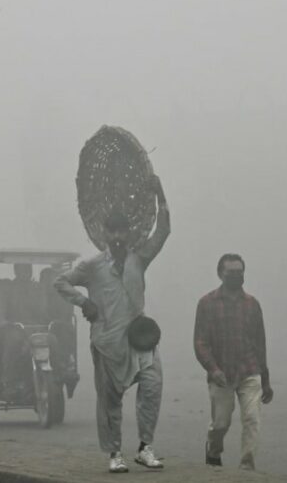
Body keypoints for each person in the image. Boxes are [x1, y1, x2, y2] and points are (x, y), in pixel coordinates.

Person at [54, 174, 170, 473]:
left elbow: (163, 233)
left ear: (129, 234)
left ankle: (145, 447)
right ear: (105, 234)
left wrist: (161, 195)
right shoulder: (92, 266)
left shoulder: (139, 258)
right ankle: (114, 453)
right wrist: (85, 303)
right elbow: (61, 282)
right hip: (107, 343)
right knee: (110, 401)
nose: (118, 237)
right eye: (113, 232)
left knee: (153, 387)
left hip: (139, 339)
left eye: (122, 232)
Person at [193, 254, 273, 470]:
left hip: (249, 370)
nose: (236, 277)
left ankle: (247, 466)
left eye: (240, 273)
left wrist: (265, 379)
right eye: (231, 273)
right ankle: (213, 450)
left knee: (252, 420)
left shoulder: (252, 304)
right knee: (221, 423)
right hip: (221, 373)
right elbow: (200, 342)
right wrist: (213, 368)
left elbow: (260, 343)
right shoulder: (207, 303)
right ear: (221, 274)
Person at [0, 263, 49, 396]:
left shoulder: (38, 288)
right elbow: (0, 308)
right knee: (13, 343)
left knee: (51, 342)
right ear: (16, 270)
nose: (26, 272)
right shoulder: (7, 288)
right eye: (23, 269)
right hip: (14, 327)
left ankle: (56, 372)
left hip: (35, 327)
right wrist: (2, 321)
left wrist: (45, 317)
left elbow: (44, 310)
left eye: (28, 269)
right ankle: (9, 382)